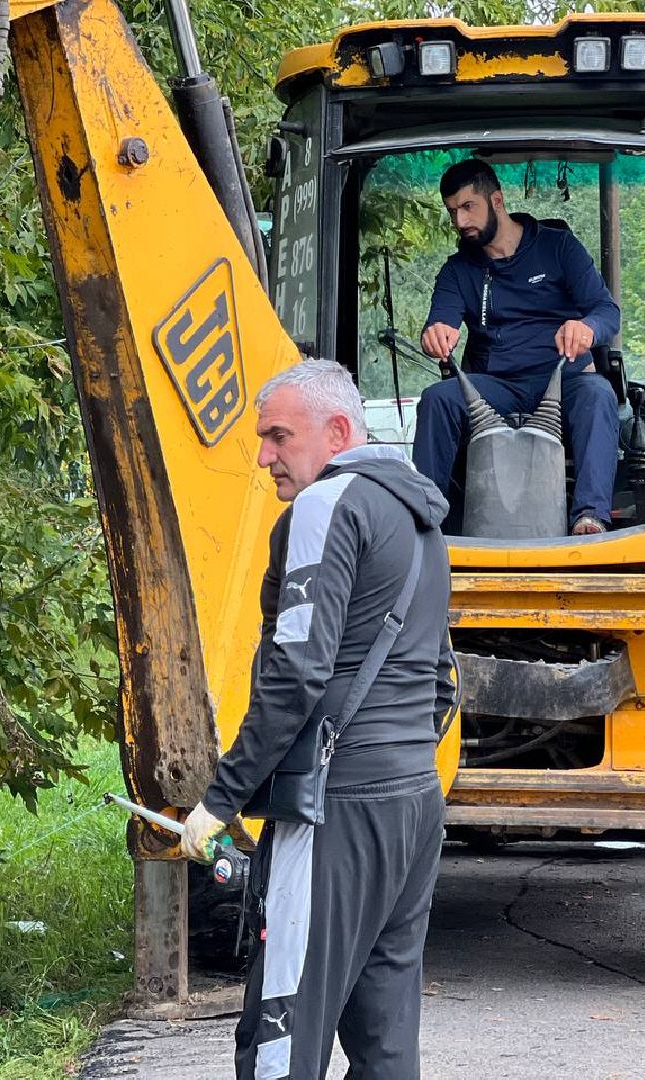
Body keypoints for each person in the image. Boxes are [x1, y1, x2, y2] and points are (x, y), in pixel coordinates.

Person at [179, 359, 454, 1080]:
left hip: (338, 807)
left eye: (278, 436)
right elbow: (436, 678)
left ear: (336, 432)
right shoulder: (420, 519)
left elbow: (296, 671)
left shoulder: (323, 507)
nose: (264, 456)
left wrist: (220, 798)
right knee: (386, 1039)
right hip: (413, 802)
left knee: (282, 1030)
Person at [413, 158, 622, 535]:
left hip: (562, 380)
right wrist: (435, 334)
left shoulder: (559, 248)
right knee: (437, 398)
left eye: (467, 207)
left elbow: (607, 311)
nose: (460, 222)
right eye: (452, 212)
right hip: (496, 388)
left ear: (496, 200)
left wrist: (586, 328)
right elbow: (439, 320)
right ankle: (425, 522)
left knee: (599, 393)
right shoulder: (458, 270)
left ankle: (589, 517)